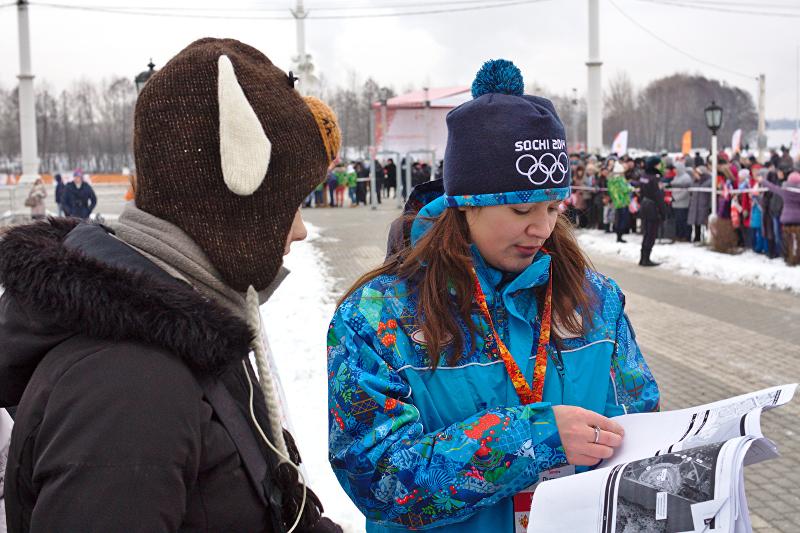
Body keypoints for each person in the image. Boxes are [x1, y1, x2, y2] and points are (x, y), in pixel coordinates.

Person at [0, 38, 343, 532]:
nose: (301, 230)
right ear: (233, 208)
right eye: (291, 205)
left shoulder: (183, 333)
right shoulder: (127, 389)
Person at [326, 60, 659, 533]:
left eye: (553, 207)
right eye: (522, 209)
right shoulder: (378, 317)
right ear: (467, 204)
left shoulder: (596, 301)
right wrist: (532, 439)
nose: (542, 228)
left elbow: (641, 426)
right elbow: (376, 479)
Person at [758, 170, 800, 266]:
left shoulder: (785, 191)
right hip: (798, 220)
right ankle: (798, 257)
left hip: (787, 220)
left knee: (787, 239)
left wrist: (763, 181)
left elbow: (773, 188)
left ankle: (787, 257)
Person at [607, 162, 632, 243]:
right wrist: (632, 188)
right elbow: (625, 189)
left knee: (618, 219)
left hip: (616, 202)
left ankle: (618, 236)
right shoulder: (620, 180)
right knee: (622, 220)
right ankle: (620, 237)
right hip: (623, 201)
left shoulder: (611, 180)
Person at [670, 161, 692, 241]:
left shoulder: (686, 178)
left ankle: (685, 236)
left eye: (675, 169)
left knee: (683, 220)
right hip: (675, 203)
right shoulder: (676, 177)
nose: (674, 170)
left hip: (683, 204)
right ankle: (679, 235)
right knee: (677, 221)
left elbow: (685, 191)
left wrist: (676, 198)